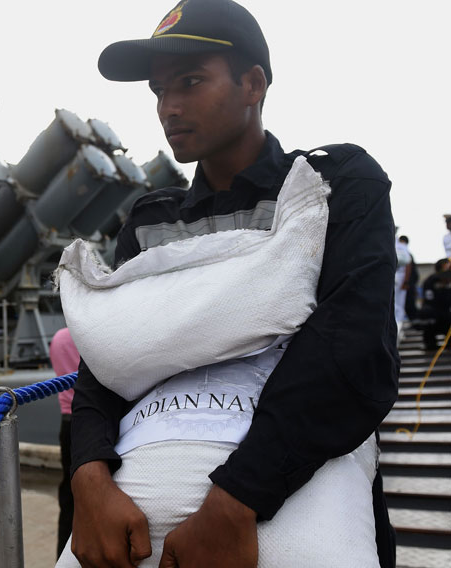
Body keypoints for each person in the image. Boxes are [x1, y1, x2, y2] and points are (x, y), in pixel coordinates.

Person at [69, 1, 399, 567]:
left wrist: (236, 499)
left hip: (276, 480)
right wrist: (89, 478)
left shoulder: (334, 184)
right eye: (157, 91)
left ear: (253, 84)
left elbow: (353, 350)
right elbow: (106, 364)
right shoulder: (148, 220)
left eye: (191, 82)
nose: (168, 108)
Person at [50, 327, 79, 559]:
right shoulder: (89, 335)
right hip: (91, 422)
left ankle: (63, 556)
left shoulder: (59, 339)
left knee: (69, 496)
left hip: (66, 422)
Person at [420, 259, 451, 351]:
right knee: (426, 312)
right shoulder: (430, 282)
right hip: (435, 314)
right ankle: (430, 342)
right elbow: (430, 301)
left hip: (447, 314)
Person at [398, 236, 419, 320]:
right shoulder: (404, 252)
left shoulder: (405, 253)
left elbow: (410, 269)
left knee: (407, 302)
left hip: (407, 283)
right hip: (406, 282)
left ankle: (414, 320)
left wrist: (407, 282)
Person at [395, 235, 412, 327]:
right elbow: (408, 263)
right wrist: (406, 281)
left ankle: (397, 323)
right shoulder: (402, 246)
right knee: (399, 303)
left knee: (394, 302)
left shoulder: (394, 244)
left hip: (393, 275)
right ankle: (398, 323)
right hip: (399, 275)